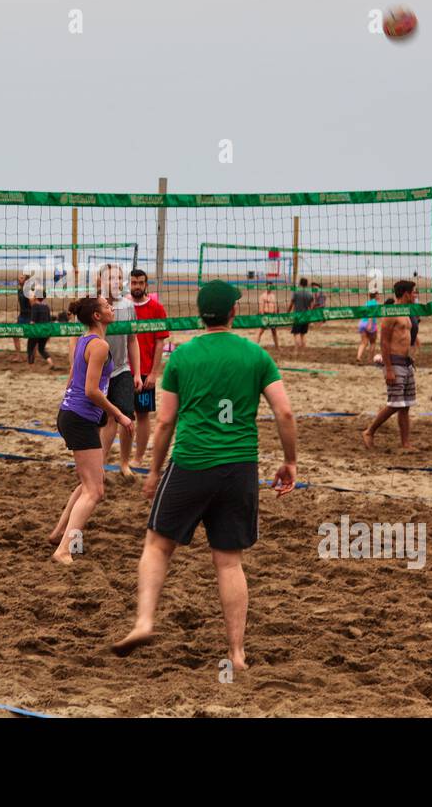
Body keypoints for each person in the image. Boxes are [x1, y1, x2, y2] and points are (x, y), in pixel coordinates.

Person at [112, 280, 298, 666]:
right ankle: (237, 652)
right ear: (233, 313)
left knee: (157, 545)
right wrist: (290, 461)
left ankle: (145, 621)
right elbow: (285, 413)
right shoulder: (255, 354)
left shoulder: (183, 355)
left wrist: (154, 471)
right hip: (239, 468)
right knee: (229, 561)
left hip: (192, 463)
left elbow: (164, 423)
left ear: (200, 314)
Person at [49, 295, 134, 564]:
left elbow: (74, 378)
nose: (112, 308)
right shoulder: (98, 345)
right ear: (97, 316)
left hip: (73, 415)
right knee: (95, 491)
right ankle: (64, 549)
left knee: (88, 483)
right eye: (107, 306)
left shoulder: (85, 340)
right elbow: (90, 390)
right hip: (79, 417)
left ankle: (59, 532)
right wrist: (119, 414)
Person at [97, 263, 141, 477]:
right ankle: (101, 465)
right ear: (101, 282)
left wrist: (137, 373)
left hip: (122, 369)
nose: (115, 281)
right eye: (110, 278)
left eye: (118, 278)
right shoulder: (93, 307)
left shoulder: (127, 306)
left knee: (127, 418)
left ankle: (124, 464)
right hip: (98, 371)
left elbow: (133, 340)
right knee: (107, 419)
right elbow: (76, 340)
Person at [362, 280, 418, 449]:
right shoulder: (391, 312)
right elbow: (384, 342)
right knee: (395, 404)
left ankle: (405, 444)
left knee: (406, 405)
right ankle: (369, 431)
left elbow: (406, 337)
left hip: (406, 363)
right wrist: (389, 369)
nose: (416, 295)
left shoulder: (407, 312)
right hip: (394, 362)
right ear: (406, 294)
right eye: (414, 292)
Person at [129, 268, 170, 465]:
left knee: (142, 415)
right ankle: (123, 458)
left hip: (145, 371)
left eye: (140, 283)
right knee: (121, 415)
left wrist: (154, 373)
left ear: (146, 284)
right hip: (122, 370)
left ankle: (137, 458)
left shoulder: (156, 308)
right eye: (133, 283)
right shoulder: (123, 307)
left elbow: (160, 343)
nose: (137, 286)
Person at [27, 288, 56, 369]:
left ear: (36, 296)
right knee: (41, 349)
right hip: (45, 331)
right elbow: (49, 320)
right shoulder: (46, 307)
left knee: (30, 348)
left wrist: (29, 330)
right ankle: (50, 362)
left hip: (36, 331)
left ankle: (31, 366)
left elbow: (32, 321)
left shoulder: (35, 306)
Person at [286, 277, 314, 352]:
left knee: (296, 333)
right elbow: (311, 307)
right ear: (306, 284)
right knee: (303, 334)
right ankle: (303, 351)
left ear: (300, 284)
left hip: (297, 316)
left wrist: (287, 312)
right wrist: (310, 317)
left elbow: (291, 304)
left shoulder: (296, 292)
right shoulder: (310, 294)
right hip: (306, 316)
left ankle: (296, 350)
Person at [356, 292, 381, 363]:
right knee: (373, 342)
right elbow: (371, 314)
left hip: (362, 323)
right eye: (378, 295)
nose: (379, 296)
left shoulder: (367, 303)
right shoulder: (375, 303)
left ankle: (358, 357)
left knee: (363, 342)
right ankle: (370, 360)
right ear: (376, 296)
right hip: (370, 323)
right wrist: (369, 324)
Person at [13, 273, 32, 361]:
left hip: (29, 317)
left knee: (32, 337)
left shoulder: (28, 291)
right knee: (15, 335)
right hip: (22, 316)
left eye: (21, 278)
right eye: (19, 277)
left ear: (26, 281)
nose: (19, 279)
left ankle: (31, 356)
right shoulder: (19, 291)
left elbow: (33, 305)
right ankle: (18, 356)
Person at [254, 283, 280, 348]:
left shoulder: (273, 296)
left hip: (272, 316)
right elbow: (261, 306)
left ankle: (277, 346)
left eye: (271, 286)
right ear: (266, 286)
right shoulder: (263, 296)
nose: (270, 287)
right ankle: (256, 345)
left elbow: (275, 305)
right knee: (261, 331)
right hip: (265, 315)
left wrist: (276, 313)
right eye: (269, 286)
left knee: (274, 331)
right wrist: (262, 314)